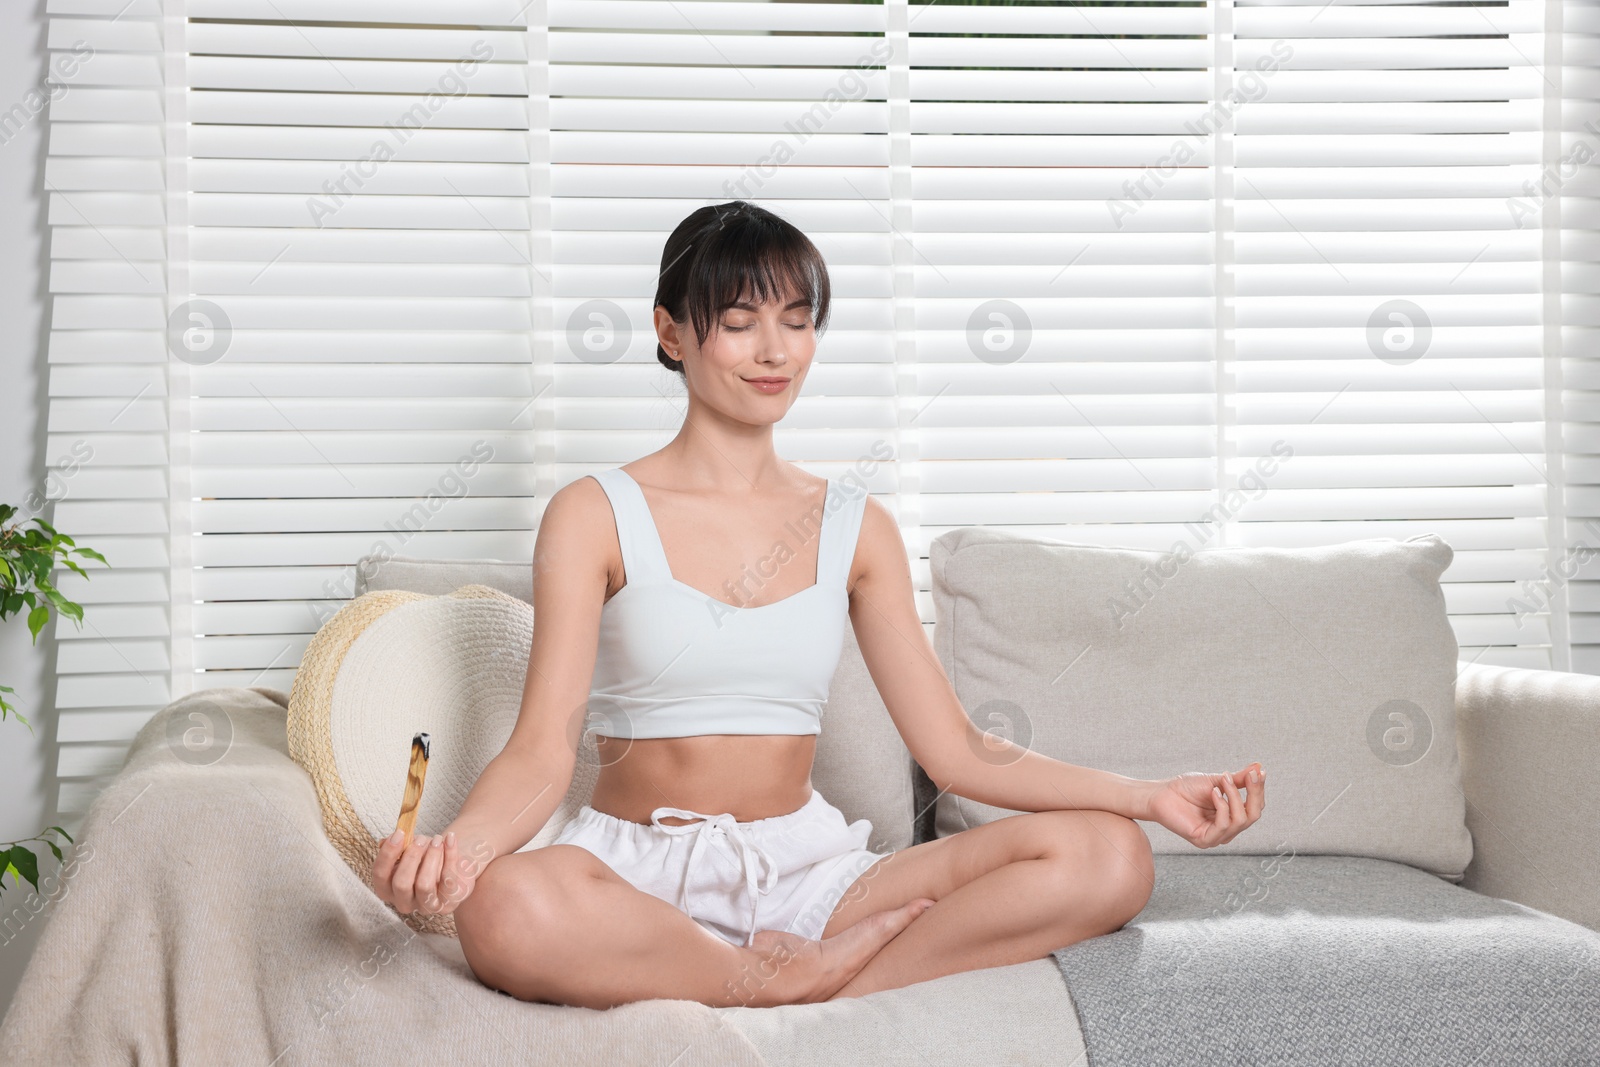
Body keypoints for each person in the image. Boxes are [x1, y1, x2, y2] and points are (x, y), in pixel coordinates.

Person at [370, 200, 1266, 1010]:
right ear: (672, 332)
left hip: (809, 879)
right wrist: (461, 853)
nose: (776, 350)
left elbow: (956, 749)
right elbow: (539, 751)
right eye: (740, 322)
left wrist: (1148, 796)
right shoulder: (593, 512)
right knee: (503, 905)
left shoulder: (855, 526)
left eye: (798, 322)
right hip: (631, 874)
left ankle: (810, 973)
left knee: (1110, 858)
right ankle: (763, 979)